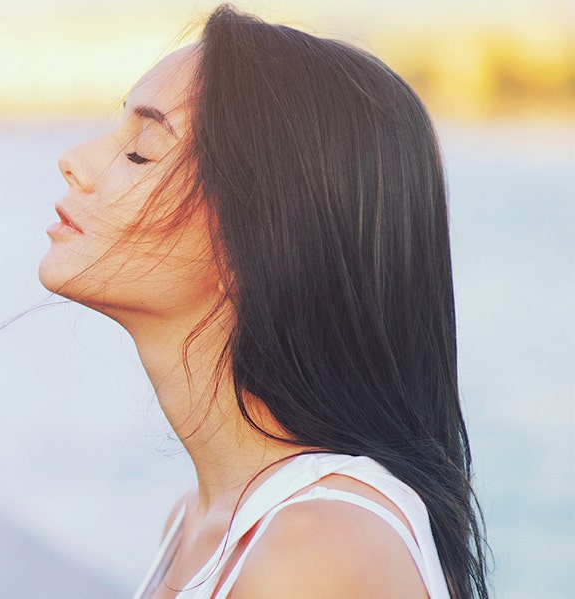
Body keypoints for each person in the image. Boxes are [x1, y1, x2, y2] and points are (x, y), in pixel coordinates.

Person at [38, 5, 490, 598]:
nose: (75, 160)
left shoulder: (315, 547)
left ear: (264, 234)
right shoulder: (200, 521)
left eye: (142, 149)